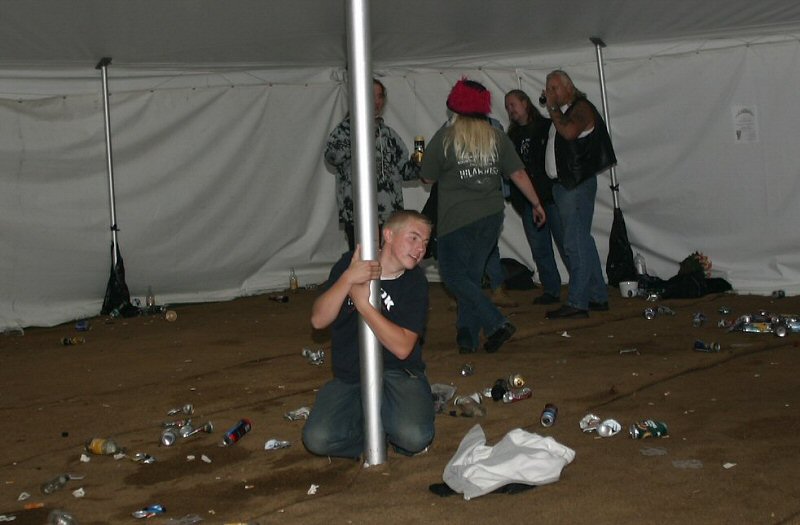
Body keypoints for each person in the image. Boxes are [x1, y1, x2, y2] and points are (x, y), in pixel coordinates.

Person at [420, 78, 545, 354]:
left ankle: (496, 322)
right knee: (471, 278)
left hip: (456, 218)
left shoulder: (446, 137)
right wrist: (536, 203)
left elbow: (427, 177)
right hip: (490, 217)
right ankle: (467, 338)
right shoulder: (496, 136)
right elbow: (518, 173)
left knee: (453, 276)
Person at [302, 210, 435, 459]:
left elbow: (403, 348)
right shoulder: (351, 264)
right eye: (414, 238)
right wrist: (347, 279)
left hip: (399, 373)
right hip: (352, 375)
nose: (420, 249)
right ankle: (373, 432)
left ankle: (395, 423)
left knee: (414, 436)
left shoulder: (415, 282)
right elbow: (318, 320)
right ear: (388, 235)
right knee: (317, 438)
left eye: (425, 243)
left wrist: (364, 305)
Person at [541, 70, 616, 319]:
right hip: (564, 186)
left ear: (569, 87)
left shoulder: (581, 108)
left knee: (575, 243)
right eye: (548, 88)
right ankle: (597, 296)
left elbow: (570, 133)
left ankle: (578, 302)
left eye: (554, 88)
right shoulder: (565, 113)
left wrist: (552, 108)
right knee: (582, 241)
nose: (550, 93)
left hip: (575, 185)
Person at [325, 79, 421, 251]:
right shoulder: (345, 130)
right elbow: (332, 157)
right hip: (359, 215)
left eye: (380, 96)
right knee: (364, 261)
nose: (376, 101)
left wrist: (421, 164)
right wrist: (358, 132)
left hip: (390, 214)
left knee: (389, 260)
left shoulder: (389, 134)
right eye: (371, 96)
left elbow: (405, 172)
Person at [504, 89, 567, 305]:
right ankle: (551, 290)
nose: (510, 110)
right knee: (540, 249)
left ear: (525, 103)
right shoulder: (511, 136)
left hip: (550, 198)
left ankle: (583, 288)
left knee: (566, 245)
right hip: (527, 202)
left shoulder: (546, 127)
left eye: (512, 104)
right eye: (507, 107)